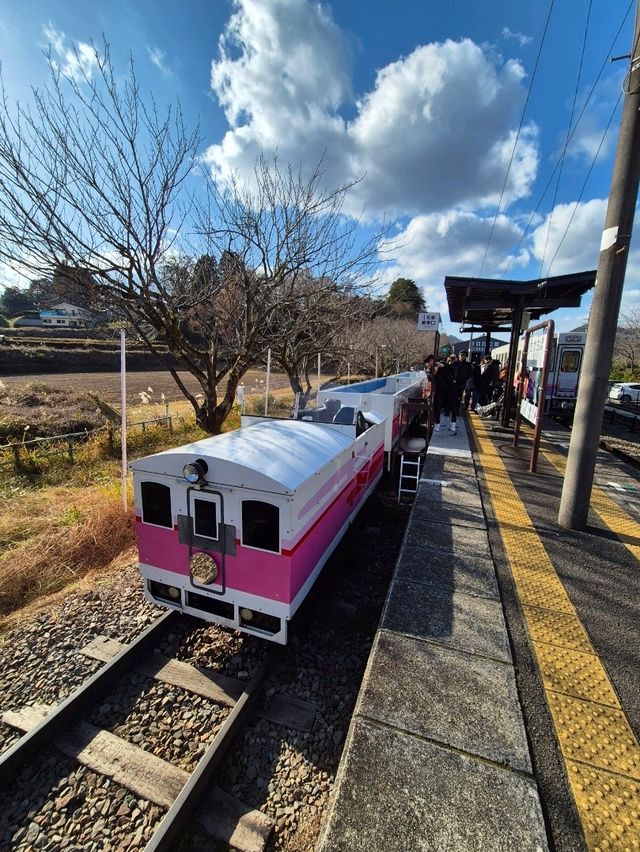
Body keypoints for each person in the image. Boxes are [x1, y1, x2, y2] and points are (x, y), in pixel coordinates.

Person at [432, 359, 458, 434]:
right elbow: (432, 378)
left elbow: (449, 368)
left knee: (450, 408)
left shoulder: (448, 369)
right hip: (443, 392)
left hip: (447, 392)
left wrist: (443, 366)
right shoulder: (438, 372)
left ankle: (450, 425)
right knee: (440, 407)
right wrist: (436, 370)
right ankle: (439, 424)